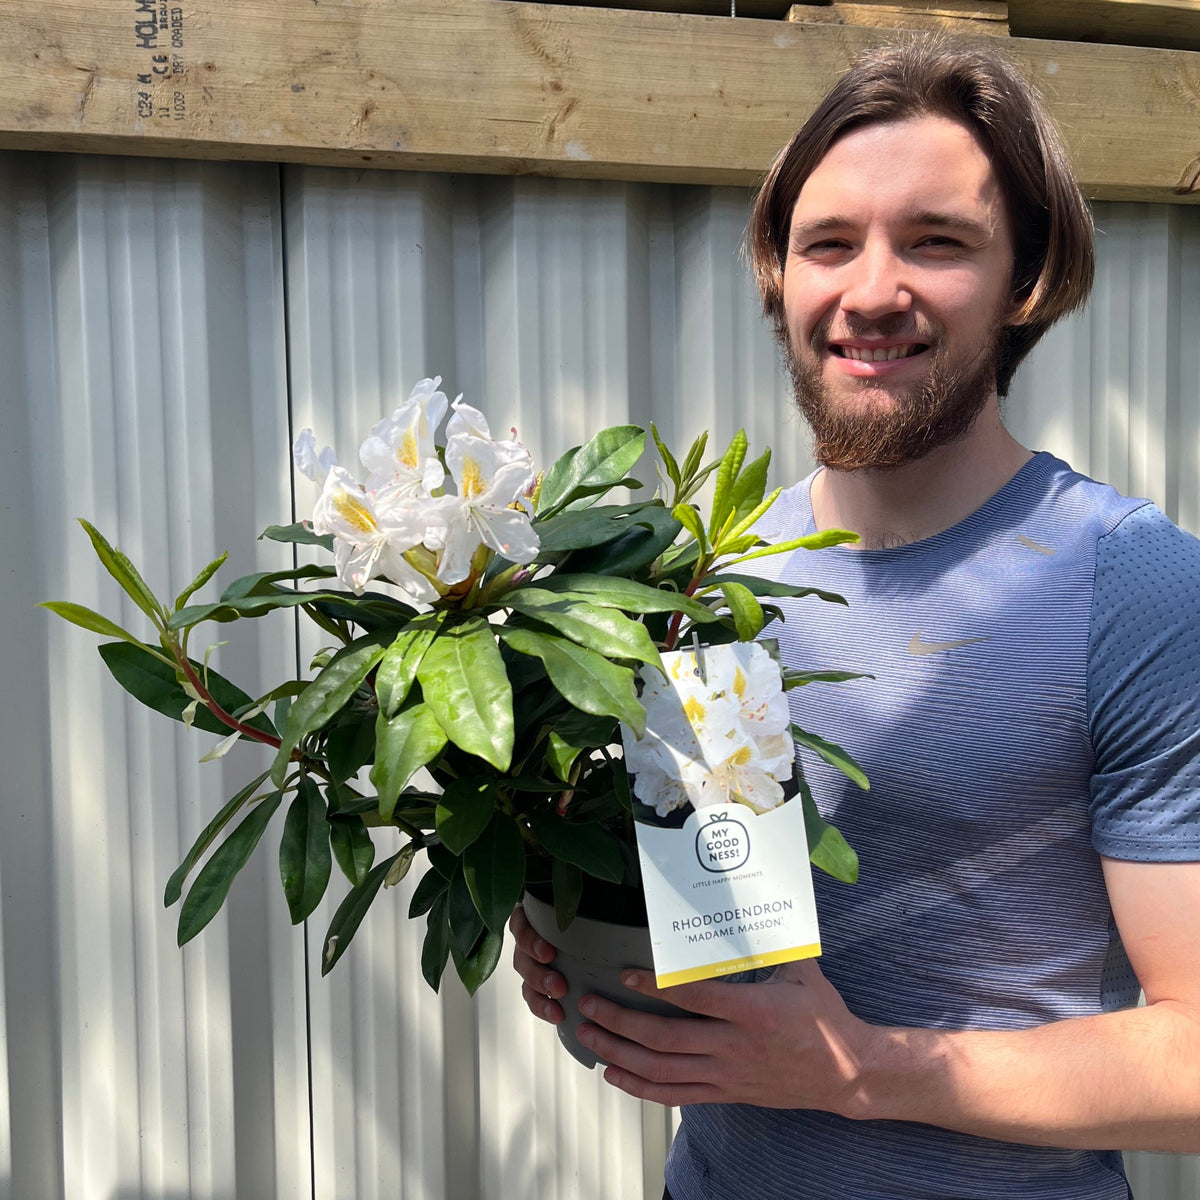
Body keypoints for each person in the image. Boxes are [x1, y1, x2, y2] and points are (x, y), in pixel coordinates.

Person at [510, 35, 1200, 1200]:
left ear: (1026, 279)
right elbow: (737, 909)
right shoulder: (697, 584)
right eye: (828, 243)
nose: (872, 290)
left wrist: (859, 1070)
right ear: (781, 276)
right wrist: (599, 935)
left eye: (936, 242)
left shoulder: (1132, 585)